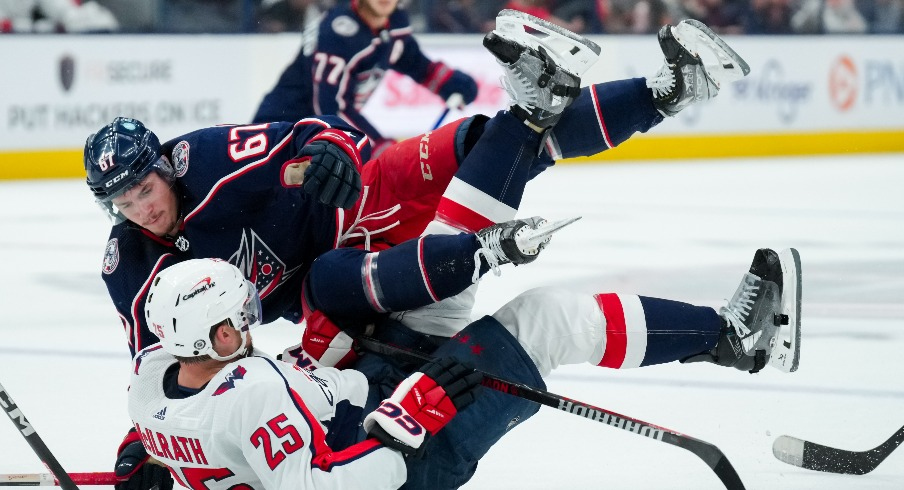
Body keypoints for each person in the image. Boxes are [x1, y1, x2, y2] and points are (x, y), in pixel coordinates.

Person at [99, 10, 751, 488]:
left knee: (488, 146)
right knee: (511, 155)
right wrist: (149, 447)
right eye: (124, 202)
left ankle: (645, 97)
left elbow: (321, 129)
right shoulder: (137, 273)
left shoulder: (207, 162)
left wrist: (331, 151)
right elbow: (165, 365)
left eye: (146, 188)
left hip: (351, 218)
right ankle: (592, 109)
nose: (142, 208)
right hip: (347, 302)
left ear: (165, 166)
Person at [126, 239, 801, 488]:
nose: (246, 327)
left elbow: (207, 443)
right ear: (201, 337)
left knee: (449, 269)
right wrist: (402, 424)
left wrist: (148, 464)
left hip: (373, 400)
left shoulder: (151, 386)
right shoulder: (249, 388)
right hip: (413, 452)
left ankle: (520, 137)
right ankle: (734, 340)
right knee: (545, 321)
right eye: (232, 324)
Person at [252, 0, 480, 156]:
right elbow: (331, 109)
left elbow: (413, 61)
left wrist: (449, 82)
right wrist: (378, 147)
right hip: (280, 133)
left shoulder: (395, 20)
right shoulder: (338, 32)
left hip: (320, 138)